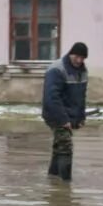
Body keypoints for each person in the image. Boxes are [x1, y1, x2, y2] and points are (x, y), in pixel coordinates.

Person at [41, 42, 89, 182]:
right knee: (65, 148)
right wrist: (63, 120)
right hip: (55, 114)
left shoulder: (83, 71)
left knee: (59, 148)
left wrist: (80, 117)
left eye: (82, 58)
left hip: (69, 115)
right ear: (70, 54)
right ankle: (65, 186)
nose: (79, 61)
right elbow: (51, 98)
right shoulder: (57, 69)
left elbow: (81, 97)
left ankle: (53, 178)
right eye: (77, 57)